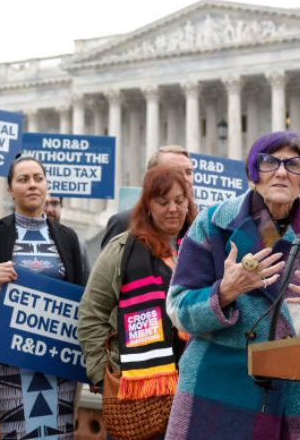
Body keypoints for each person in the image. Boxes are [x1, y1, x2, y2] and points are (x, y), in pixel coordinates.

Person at [165, 131, 300, 439]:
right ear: (254, 171)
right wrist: (224, 292)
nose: (281, 172)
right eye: (269, 162)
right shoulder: (213, 225)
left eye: (294, 164)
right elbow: (178, 308)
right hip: (222, 390)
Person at [0, 156, 86, 440]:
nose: (32, 185)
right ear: (10, 190)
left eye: (38, 178)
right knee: (18, 434)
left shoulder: (67, 237)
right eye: (23, 179)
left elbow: (79, 300)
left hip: (58, 361)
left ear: (46, 185)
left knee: (56, 434)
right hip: (8, 361)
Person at [78, 166, 197, 433]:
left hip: (195, 386)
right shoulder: (121, 249)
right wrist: (103, 374)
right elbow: (91, 313)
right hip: (136, 391)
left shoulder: (202, 248)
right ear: (147, 206)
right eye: (163, 202)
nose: (173, 209)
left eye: (180, 201)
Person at [101, 145, 193, 249]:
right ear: (152, 177)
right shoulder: (123, 224)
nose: (185, 179)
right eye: (175, 172)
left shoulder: (200, 225)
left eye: (189, 172)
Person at [45, 194, 91, 279]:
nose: (50, 210)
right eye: (45, 204)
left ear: (61, 206)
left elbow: (85, 283)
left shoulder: (77, 244)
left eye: (55, 203)